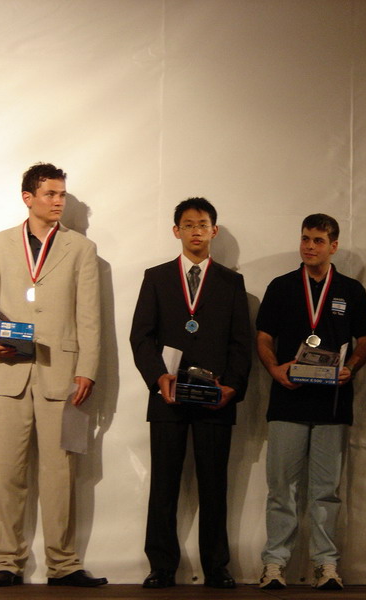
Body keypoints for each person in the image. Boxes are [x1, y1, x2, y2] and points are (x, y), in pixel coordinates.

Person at [0, 163, 106, 587]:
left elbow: (90, 317)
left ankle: (63, 564)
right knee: (6, 472)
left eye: (62, 194)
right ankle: (8, 561)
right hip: (8, 371)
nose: (58, 201)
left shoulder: (81, 248)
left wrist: (86, 369)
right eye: (50, 194)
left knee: (60, 472)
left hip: (61, 373)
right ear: (28, 198)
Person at [130, 197, 251, 589]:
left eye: (202, 225)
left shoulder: (231, 282)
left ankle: (216, 566)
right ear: (176, 231)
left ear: (213, 231)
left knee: (214, 484)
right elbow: (141, 336)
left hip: (215, 398)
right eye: (188, 224)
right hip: (168, 395)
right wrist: (158, 377)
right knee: (164, 483)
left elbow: (240, 342)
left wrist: (233, 386)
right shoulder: (157, 277)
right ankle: (161, 565)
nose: (196, 231)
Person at [256, 213, 366, 591]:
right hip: (287, 399)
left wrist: (352, 367)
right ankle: (275, 564)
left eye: (318, 241)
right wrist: (274, 369)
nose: (309, 246)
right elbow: (263, 337)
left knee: (326, 490)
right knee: (281, 488)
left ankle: (326, 564)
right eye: (305, 239)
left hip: (331, 403)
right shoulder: (281, 287)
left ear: (333, 246)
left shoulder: (351, 290)